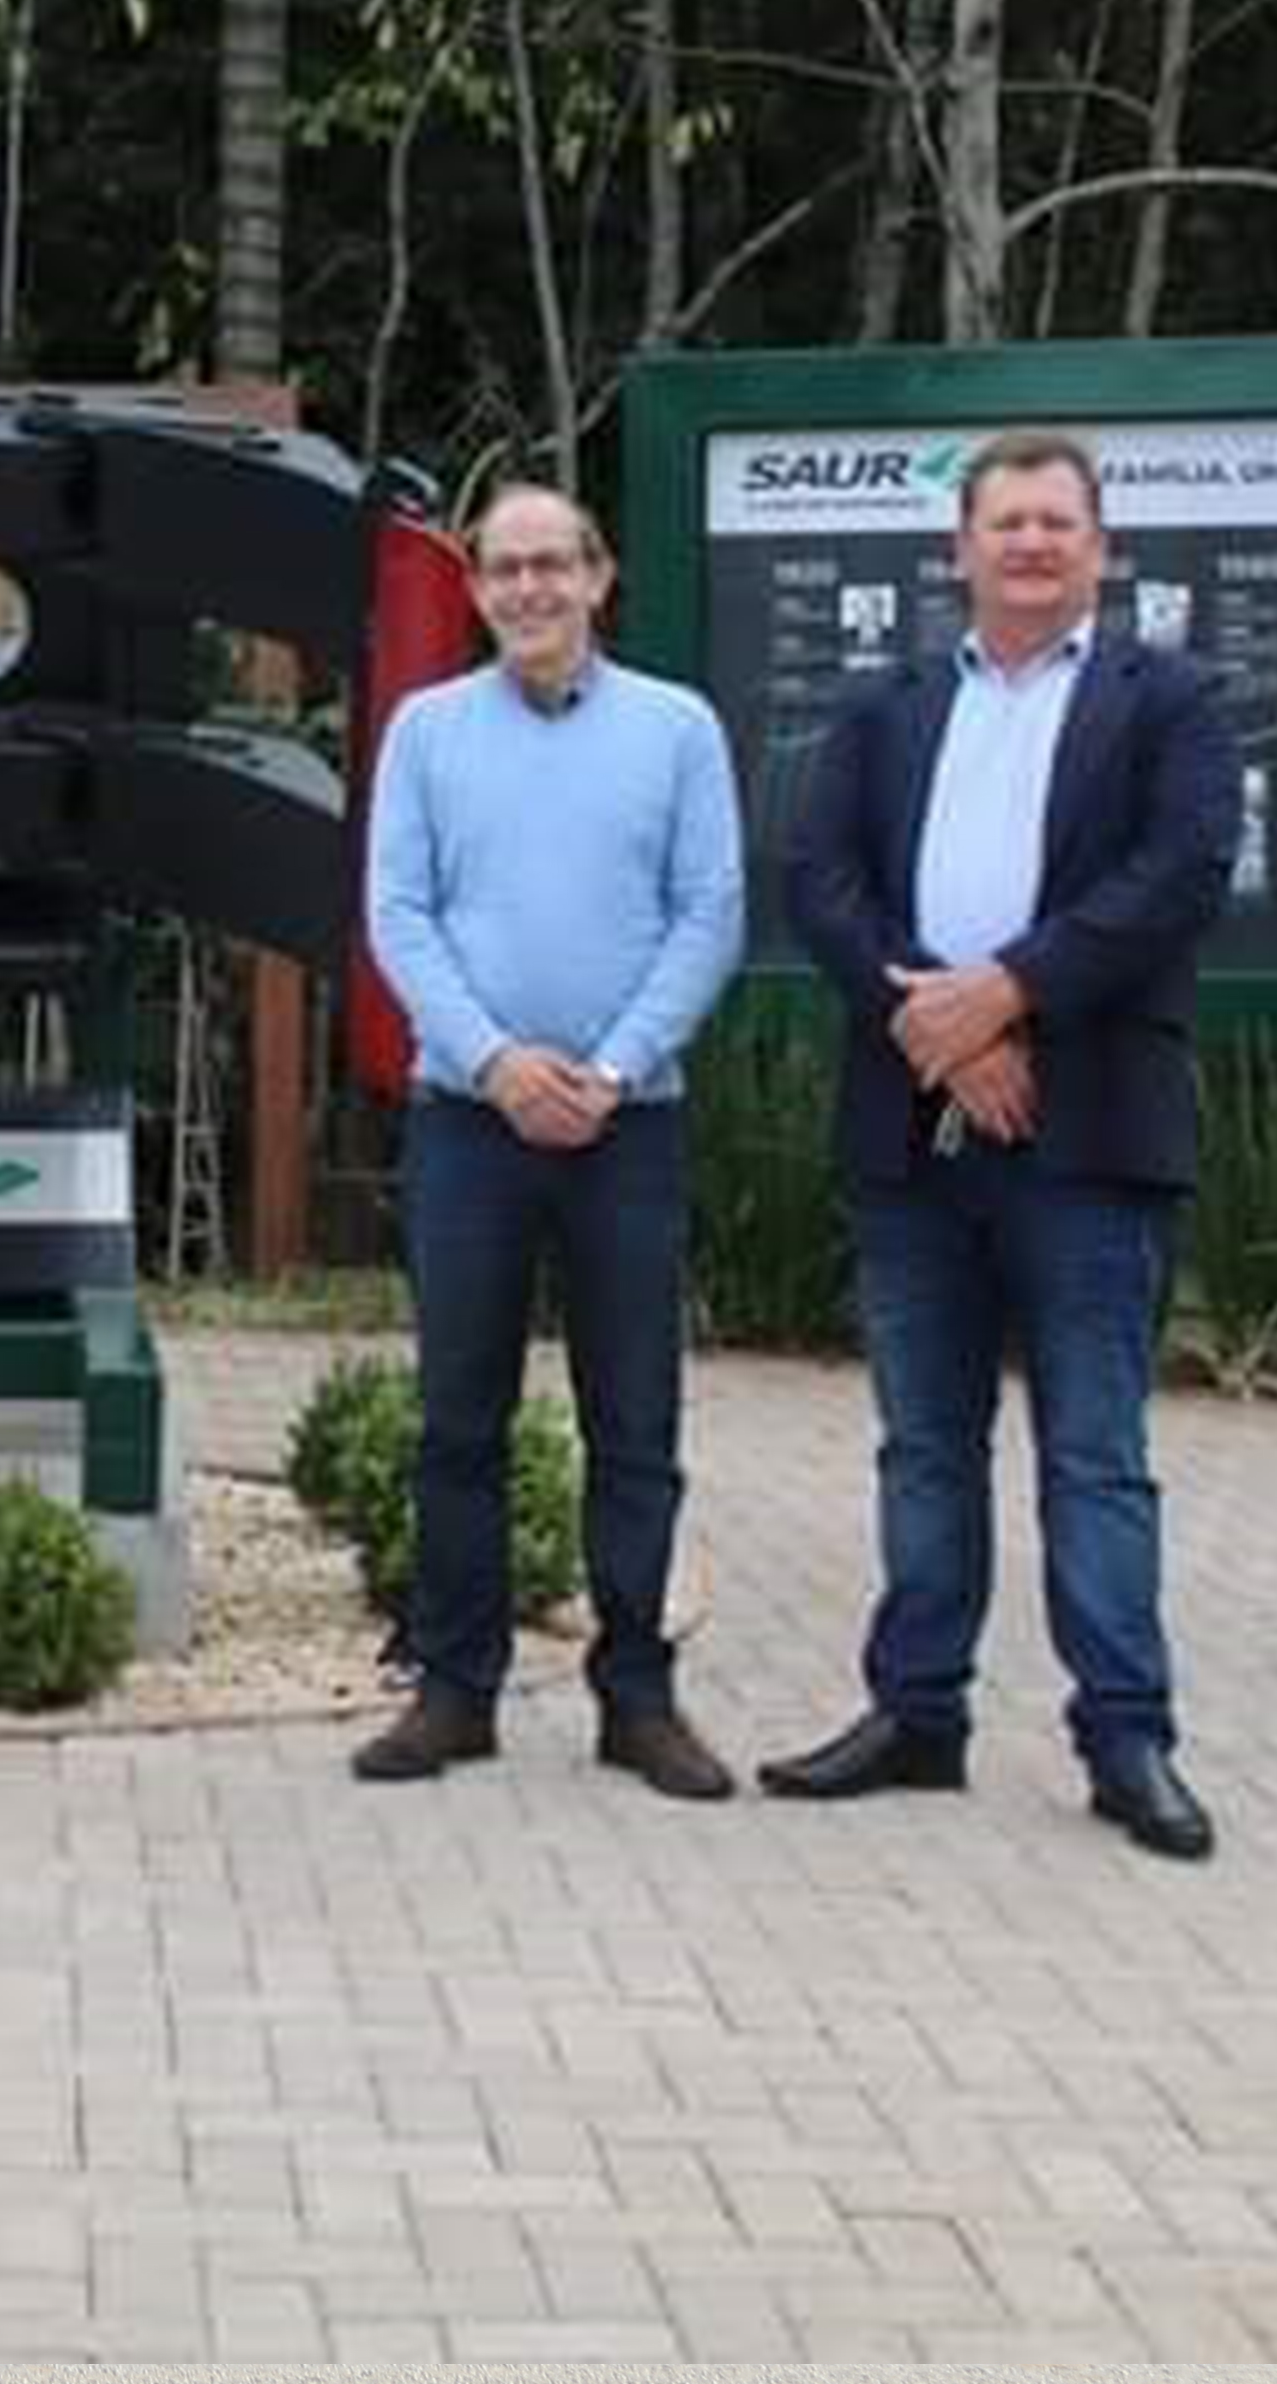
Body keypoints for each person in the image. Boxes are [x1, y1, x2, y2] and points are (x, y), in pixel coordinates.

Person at [763, 427, 1242, 1862]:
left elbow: (1178, 876)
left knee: (1093, 1452)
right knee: (922, 1447)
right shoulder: (887, 705)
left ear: (1098, 547)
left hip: (1087, 1134)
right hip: (915, 1133)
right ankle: (915, 1713)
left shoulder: (1172, 702)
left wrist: (1011, 991)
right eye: (1005, 523)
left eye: (1055, 523)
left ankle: (1125, 1737)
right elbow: (815, 877)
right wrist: (942, 1029)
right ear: (957, 549)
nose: (1029, 545)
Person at [355, 484, 747, 1793]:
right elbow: (399, 917)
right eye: (503, 569)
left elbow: (707, 917)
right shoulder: (423, 732)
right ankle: (455, 1692)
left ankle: (635, 1698)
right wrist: (500, 1062)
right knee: (457, 1422)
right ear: (473, 592)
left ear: (599, 577)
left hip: (625, 1129)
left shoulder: (675, 730)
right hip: (469, 1125)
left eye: (551, 565)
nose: (527, 590)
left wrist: (611, 1066)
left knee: (633, 1422)